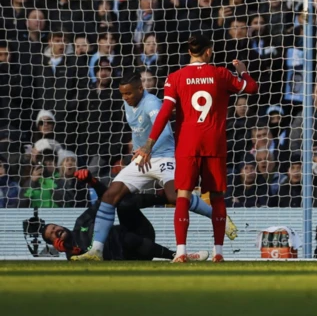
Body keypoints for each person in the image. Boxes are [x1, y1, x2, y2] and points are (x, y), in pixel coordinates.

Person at [71, 73, 231, 262]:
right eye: (122, 94)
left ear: (140, 89)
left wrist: (147, 147)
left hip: (163, 156)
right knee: (109, 195)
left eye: (128, 93)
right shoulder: (128, 102)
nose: (125, 98)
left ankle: (219, 217)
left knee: (174, 196)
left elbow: (163, 133)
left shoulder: (151, 103)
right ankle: (96, 250)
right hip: (142, 159)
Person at [133, 34, 258, 263]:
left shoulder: (175, 78)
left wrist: (149, 144)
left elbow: (163, 114)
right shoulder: (221, 74)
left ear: (190, 52)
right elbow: (251, 88)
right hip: (214, 143)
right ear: (208, 52)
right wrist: (242, 70)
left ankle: (181, 252)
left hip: (187, 144)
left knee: (183, 195)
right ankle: (218, 252)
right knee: (217, 196)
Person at [43, 171, 208, 261]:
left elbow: (106, 199)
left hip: (141, 233)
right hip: (129, 254)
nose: (55, 230)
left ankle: (165, 196)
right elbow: (79, 267)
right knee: (123, 238)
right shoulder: (73, 254)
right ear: (53, 243)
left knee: (122, 202)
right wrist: (68, 250)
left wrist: (93, 182)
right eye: (51, 234)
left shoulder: (81, 222)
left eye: (54, 226)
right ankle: (177, 255)